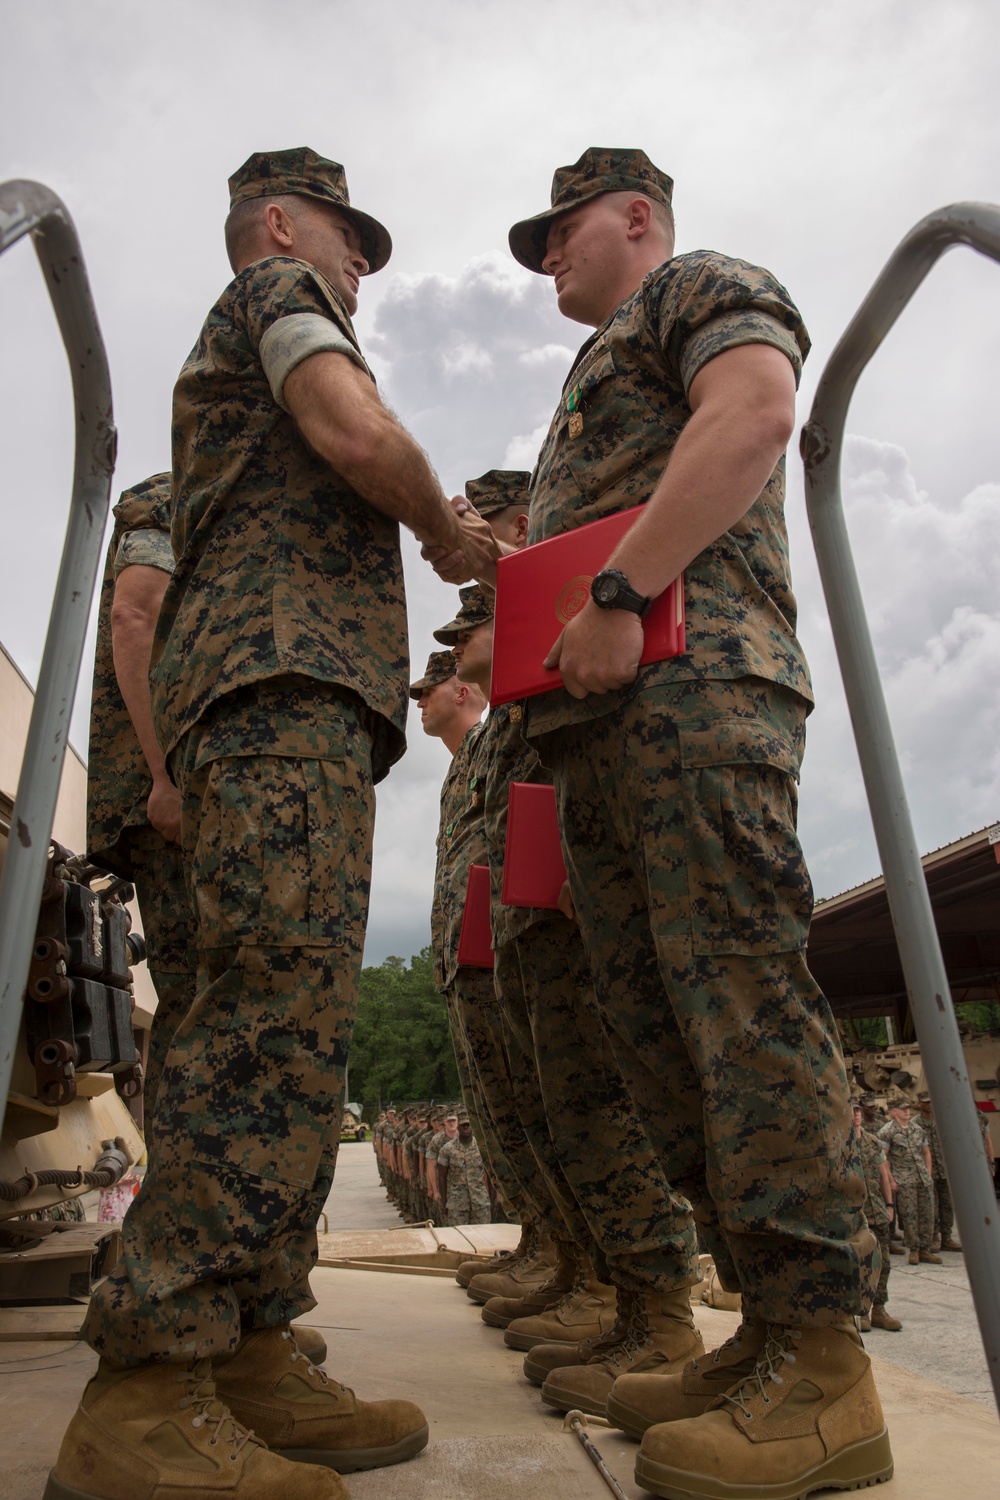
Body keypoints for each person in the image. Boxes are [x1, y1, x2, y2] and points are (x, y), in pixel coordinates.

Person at [50, 147, 486, 1500]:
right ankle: (149, 1386)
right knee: (253, 1032)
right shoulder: (280, 287)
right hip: (273, 690)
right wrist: (449, 529)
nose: (360, 266)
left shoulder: (276, 300)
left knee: (297, 1035)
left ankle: (240, 1345)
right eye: (352, 237)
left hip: (301, 699)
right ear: (286, 224)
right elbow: (355, 434)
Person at [475, 146, 889, 1498]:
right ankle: (766, 1331)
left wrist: (616, 585)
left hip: (695, 697)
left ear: (636, 218)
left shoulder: (697, 286)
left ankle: (827, 1370)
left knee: (737, 1009)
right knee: (657, 1035)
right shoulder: (594, 370)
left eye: (564, 231)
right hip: (601, 736)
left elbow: (757, 414)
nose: (548, 256)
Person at [86, 472, 197, 1114]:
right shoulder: (172, 495)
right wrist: (164, 776)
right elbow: (137, 613)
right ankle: (191, 1206)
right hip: (175, 805)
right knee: (199, 1017)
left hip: (177, 799)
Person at [852, 1101, 902, 1331]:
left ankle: (879, 1310)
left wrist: (890, 1205)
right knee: (862, 1265)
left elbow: (884, 1175)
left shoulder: (873, 1142)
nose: (856, 1116)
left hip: (879, 1211)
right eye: (852, 1112)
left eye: (858, 1111)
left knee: (884, 1264)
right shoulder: (841, 1144)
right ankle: (862, 1311)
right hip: (856, 1215)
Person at [880, 1092, 940, 1265]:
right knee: (910, 1216)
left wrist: (928, 1174)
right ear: (894, 1111)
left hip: (922, 1178)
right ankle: (914, 1250)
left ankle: (925, 1250)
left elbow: (926, 1152)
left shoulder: (917, 1129)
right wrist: (891, 1180)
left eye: (908, 1108)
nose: (907, 1111)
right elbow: (883, 1158)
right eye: (903, 1109)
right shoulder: (887, 1132)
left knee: (927, 1215)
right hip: (904, 1180)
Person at [437, 1110, 491, 1225]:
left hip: (480, 1202)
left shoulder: (483, 1147)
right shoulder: (447, 1149)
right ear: (458, 1127)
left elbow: (490, 1174)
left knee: (483, 1237)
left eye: (468, 1125)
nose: (466, 1128)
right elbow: (442, 1177)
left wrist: (492, 1198)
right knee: (459, 1238)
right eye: (463, 1125)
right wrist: (445, 1202)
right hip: (457, 1204)